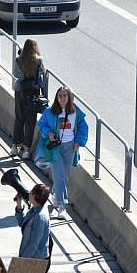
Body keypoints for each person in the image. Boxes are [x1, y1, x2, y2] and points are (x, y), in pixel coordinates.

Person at [36, 85, 88, 219]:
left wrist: (79, 142)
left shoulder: (76, 111)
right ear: (56, 97)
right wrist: (49, 133)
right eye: (60, 95)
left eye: (65, 95)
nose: (62, 98)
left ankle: (55, 195)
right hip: (55, 148)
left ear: (69, 97)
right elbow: (41, 124)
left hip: (70, 147)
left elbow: (83, 126)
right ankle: (62, 206)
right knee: (59, 176)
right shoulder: (50, 112)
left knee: (63, 176)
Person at [13, 39, 47, 160]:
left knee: (19, 118)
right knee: (30, 122)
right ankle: (26, 150)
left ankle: (15, 146)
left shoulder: (18, 60)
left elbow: (17, 75)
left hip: (20, 92)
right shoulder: (39, 61)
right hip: (33, 93)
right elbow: (42, 78)